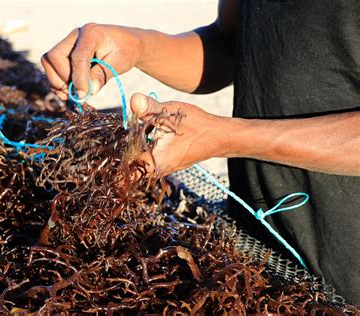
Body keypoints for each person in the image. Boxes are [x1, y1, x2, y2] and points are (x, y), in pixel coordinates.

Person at [41, 0, 360, 305]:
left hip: (346, 274)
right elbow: (229, 45)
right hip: (255, 241)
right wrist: (139, 46)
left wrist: (225, 137)